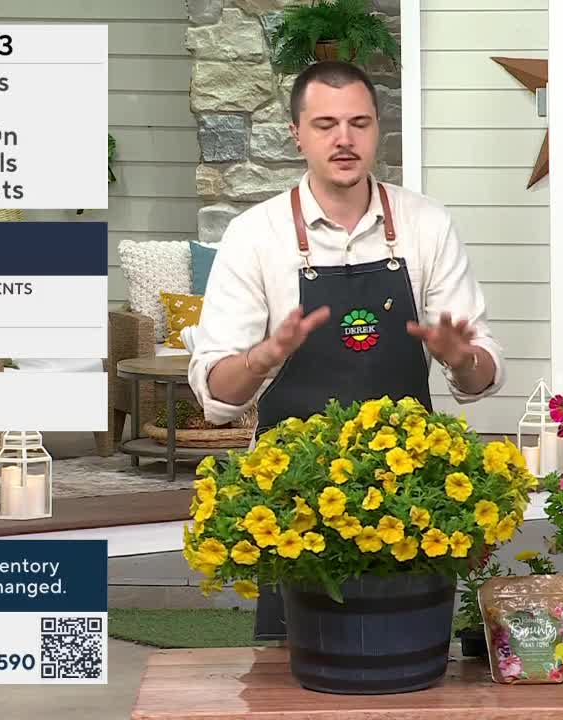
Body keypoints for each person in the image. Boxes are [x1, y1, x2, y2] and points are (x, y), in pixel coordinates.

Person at [187, 61, 506, 637]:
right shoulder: (255, 235)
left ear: (376, 129)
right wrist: (262, 357)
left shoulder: (425, 224)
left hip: (407, 494)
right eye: (326, 124)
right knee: (297, 667)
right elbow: (216, 396)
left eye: (359, 123)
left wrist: (460, 358)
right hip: (292, 501)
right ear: (297, 133)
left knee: (407, 651)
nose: (344, 139)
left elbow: (482, 374)